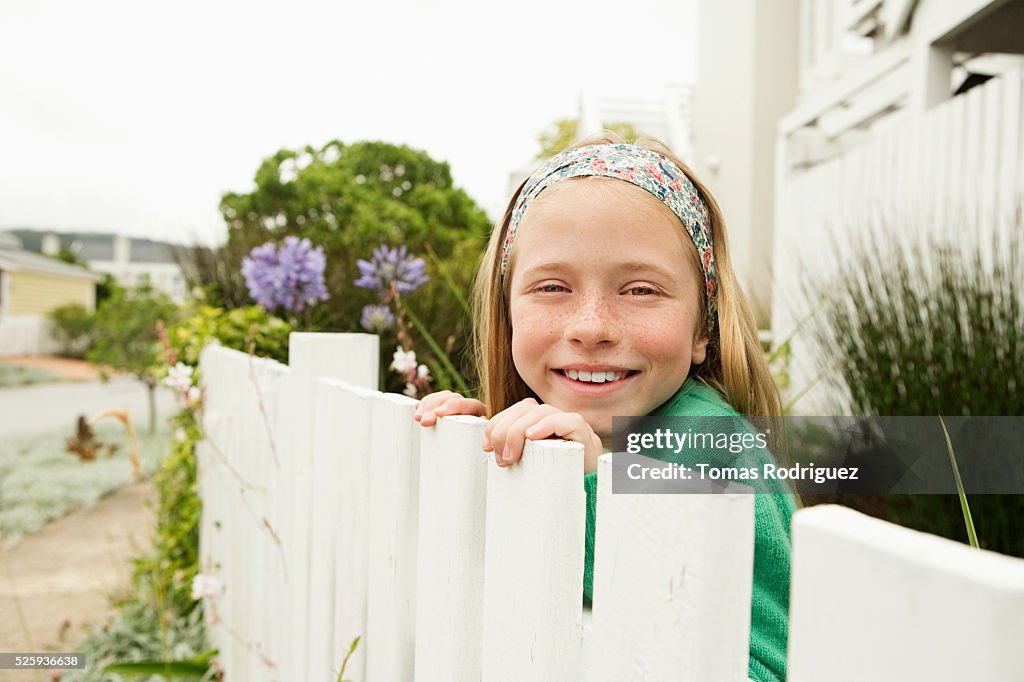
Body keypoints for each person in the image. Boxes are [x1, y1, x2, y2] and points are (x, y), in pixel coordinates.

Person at [413, 131, 795, 682]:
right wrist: (479, 457)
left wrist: (596, 484)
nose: (591, 327)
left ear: (701, 330)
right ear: (509, 315)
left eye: (640, 290)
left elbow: (753, 666)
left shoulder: (710, 445)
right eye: (551, 287)